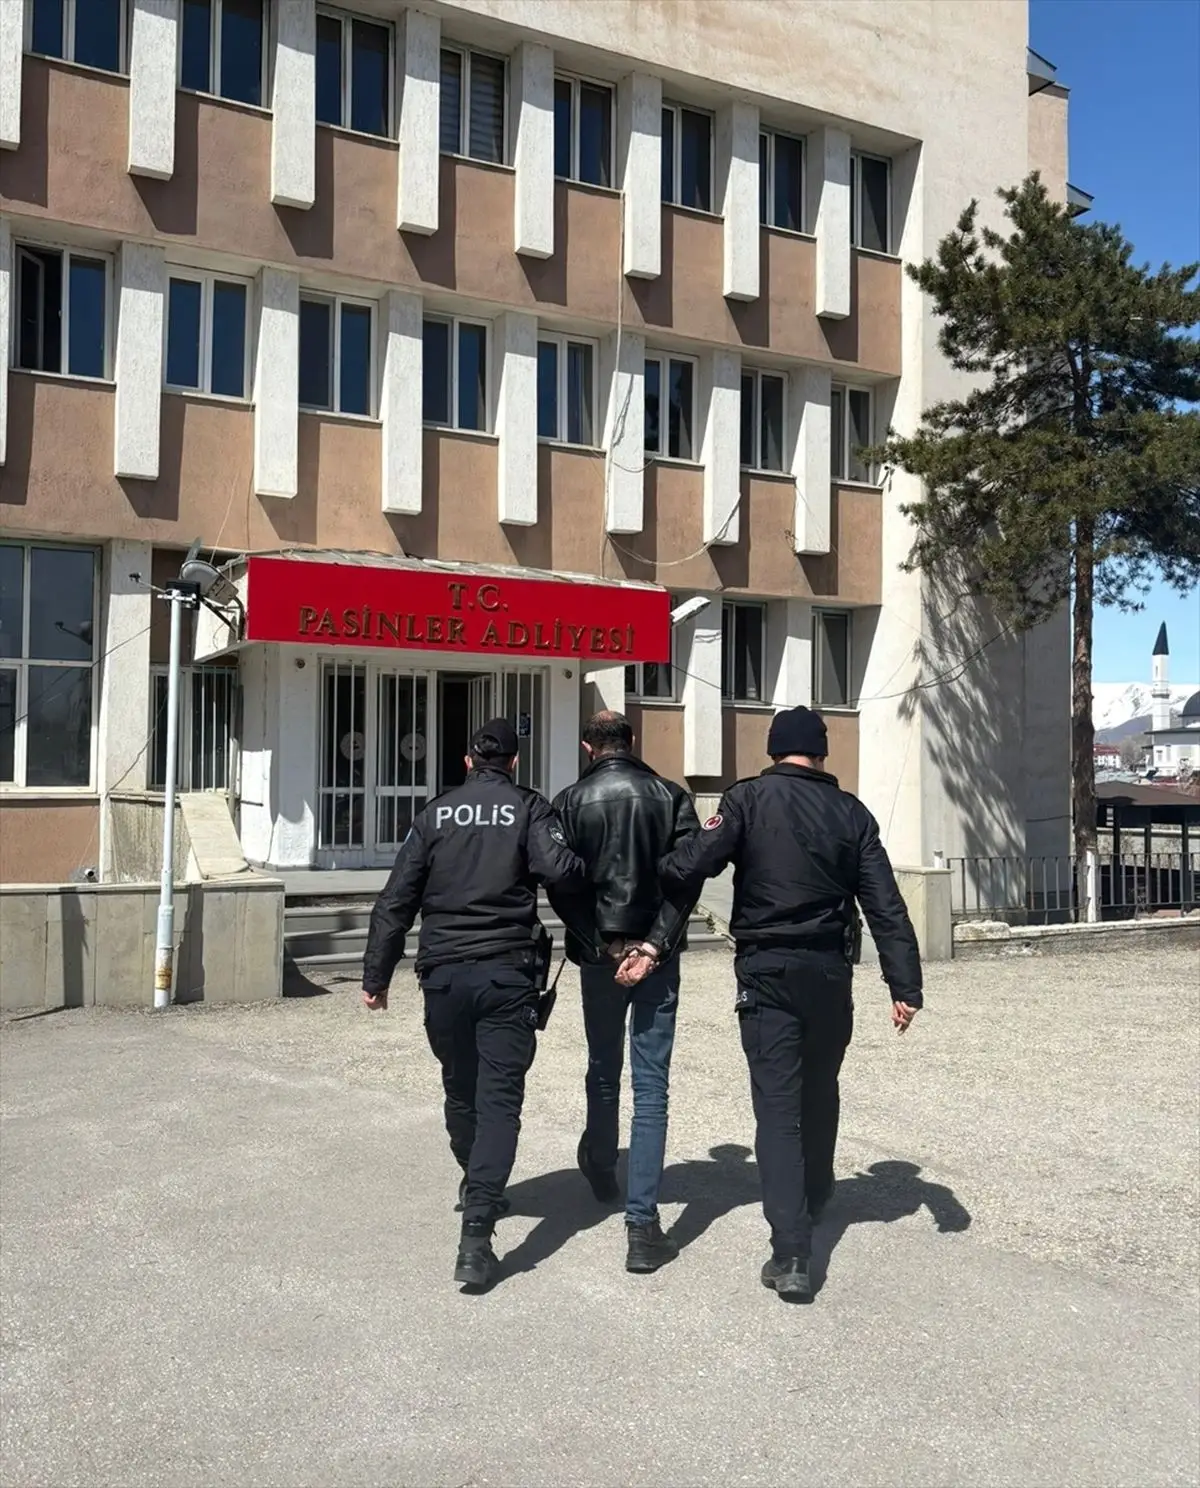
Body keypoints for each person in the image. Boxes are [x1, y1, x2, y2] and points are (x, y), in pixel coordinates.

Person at [658, 705, 922, 1302]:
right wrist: (904, 986)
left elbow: (693, 863)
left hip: (767, 970)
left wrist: (659, 862)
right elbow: (885, 905)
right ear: (821, 754)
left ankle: (792, 1252)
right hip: (829, 972)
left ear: (774, 750)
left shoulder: (747, 799)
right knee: (821, 1089)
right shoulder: (852, 813)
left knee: (777, 1109)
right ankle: (818, 1192)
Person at [361, 718, 591, 1292]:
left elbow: (395, 900)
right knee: (499, 1102)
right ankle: (476, 1233)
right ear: (513, 762)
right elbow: (560, 872)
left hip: (443, 976)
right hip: (506, 974)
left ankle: (474, 1181)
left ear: (468, 761)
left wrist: (376, 976)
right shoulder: (528, 807)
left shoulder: (435, 814)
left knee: (460, 1090)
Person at [549, 710, 701, 1273]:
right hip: (656, 956)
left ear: (588, 747)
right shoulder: (671, 795)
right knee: (651, 1084)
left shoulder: (569, 801)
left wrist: (602, 942)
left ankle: (599, 1161)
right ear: (631, 742)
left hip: (601, 956)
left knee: (603, 1064)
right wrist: (655, 945)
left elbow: (559, 882)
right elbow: (689, 877)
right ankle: (642, 1224)